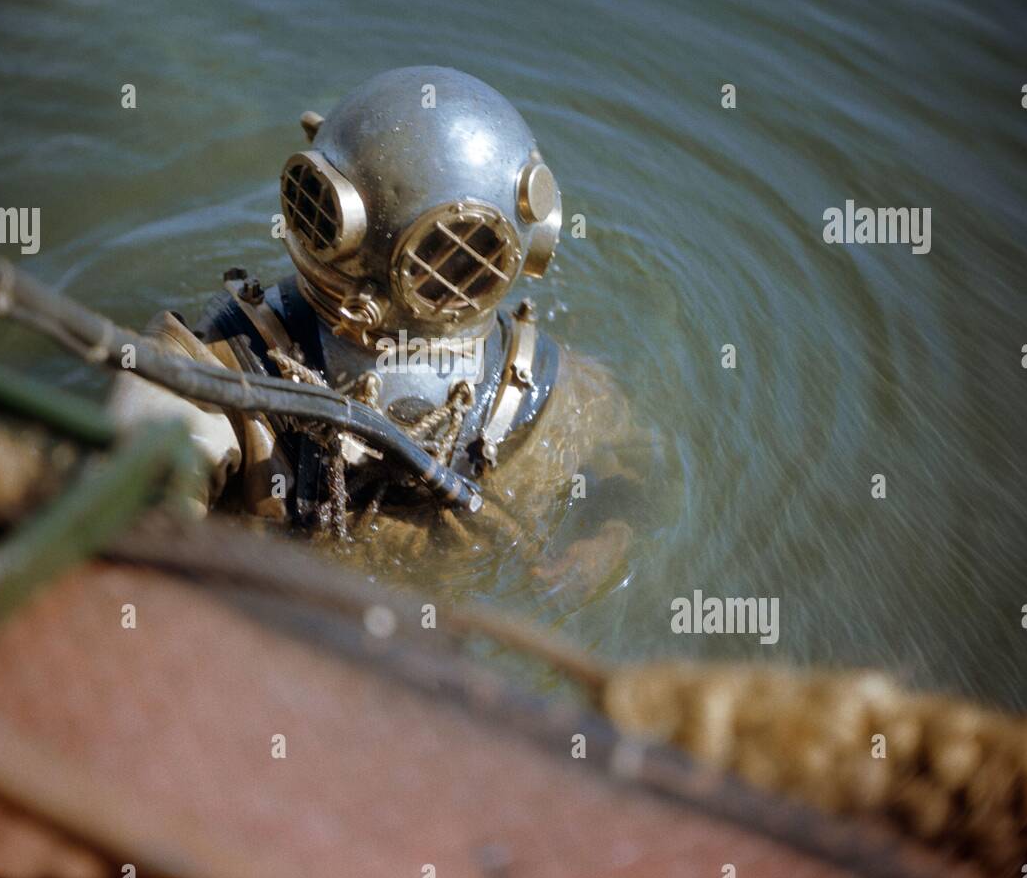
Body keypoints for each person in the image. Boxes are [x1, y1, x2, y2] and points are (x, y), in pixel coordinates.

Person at [109, 67, 650, 585]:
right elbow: (133, 504)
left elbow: (631, 473)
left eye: (461, 259)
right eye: (443, 256)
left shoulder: (543, 386)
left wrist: (607, 539)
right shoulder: (217, 382)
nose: (450, 267)